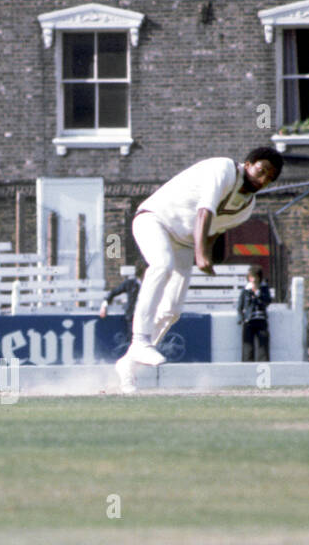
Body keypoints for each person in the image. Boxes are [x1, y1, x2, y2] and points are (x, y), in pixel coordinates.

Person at [117, 146, 283, 392]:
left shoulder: (246, 207)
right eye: (262, 171)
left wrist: (205, 252)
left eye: (269, 178)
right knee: (162, 265)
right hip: (154, 219)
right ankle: (140, 341)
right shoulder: (223, 168)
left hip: (183, 242)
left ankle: (128, 365)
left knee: (172, 310)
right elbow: (204, 211)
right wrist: (201, 254)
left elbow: (215, 230)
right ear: (248, 163)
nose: (263, 180)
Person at [237, 265, 272, 362]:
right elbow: (240, 306)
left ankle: (263, 365)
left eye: (256, 277)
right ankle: (247, 366)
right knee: (248, 346)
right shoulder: (245, 291)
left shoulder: (264, 289)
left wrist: (258, 293)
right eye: (252, 277)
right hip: (249, 321)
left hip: (261, 320)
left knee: (263, 345)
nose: (254, 279)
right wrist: (241, 318)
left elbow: (267, 301)